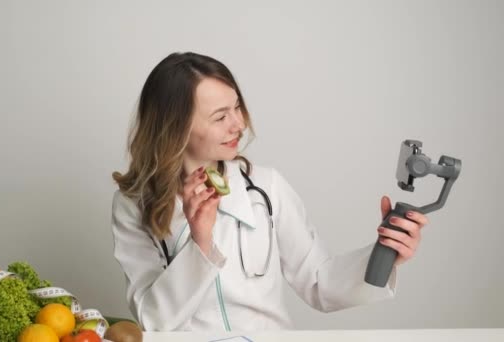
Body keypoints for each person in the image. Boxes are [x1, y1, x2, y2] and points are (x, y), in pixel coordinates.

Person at [110, 52, 429, 331]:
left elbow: (320, 284)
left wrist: (387, 254)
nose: (239, 124)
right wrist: (200, 243)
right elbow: (153, 321)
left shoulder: (266, 187)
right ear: (175, 127)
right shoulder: (133, 204)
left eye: (237, 108)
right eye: (221, 117)